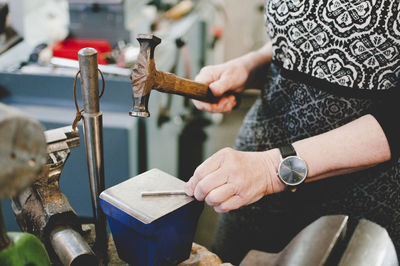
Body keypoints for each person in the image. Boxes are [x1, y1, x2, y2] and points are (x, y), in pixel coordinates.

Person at [183, 1, 400, 264]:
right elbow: (297, 38)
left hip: (357, 194)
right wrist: (248, 67)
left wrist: (271, 170)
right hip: (254, 177)